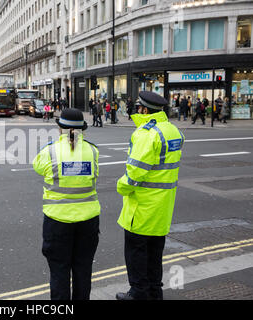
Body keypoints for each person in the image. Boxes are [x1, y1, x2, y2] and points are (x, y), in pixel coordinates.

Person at [116, 91, 184, 300]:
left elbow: (135, 172)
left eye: (138, 108)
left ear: (145, 109)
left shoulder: (147, 134)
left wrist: (122, 187)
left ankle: (137, 293)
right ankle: (155, 292)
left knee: (136, 254)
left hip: (142, 208)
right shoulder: (173, 131)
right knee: (155, 255)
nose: (137, 111)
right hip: (162, 207)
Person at [33, 108, 101, 300]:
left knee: (59, 271)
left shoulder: (49, 151)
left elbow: (37, 167)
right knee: (83, 270)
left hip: (57, 221)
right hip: (88, 221)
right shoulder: (92, 151)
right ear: (82, 129)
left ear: (60, 128)